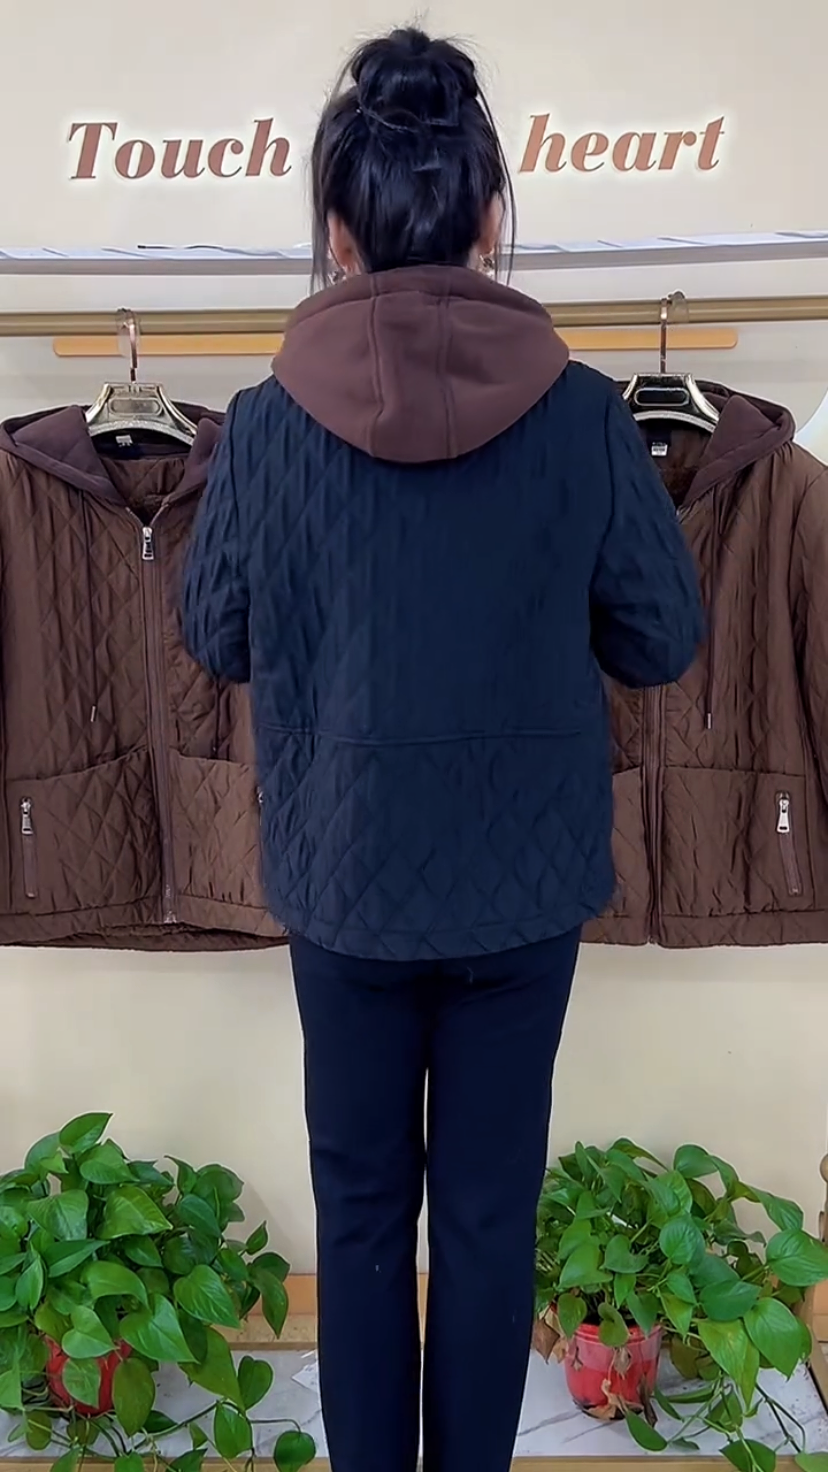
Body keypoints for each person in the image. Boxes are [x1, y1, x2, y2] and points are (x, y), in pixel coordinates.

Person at [182, 26, 703, 1472]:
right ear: (488, 220)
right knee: (487, 1221)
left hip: (343, 890)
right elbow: (663, 638)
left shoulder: (266, 428)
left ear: (337, 232)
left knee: (358, 1223)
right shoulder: (586, 416)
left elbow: (213, 633)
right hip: (520, 902)